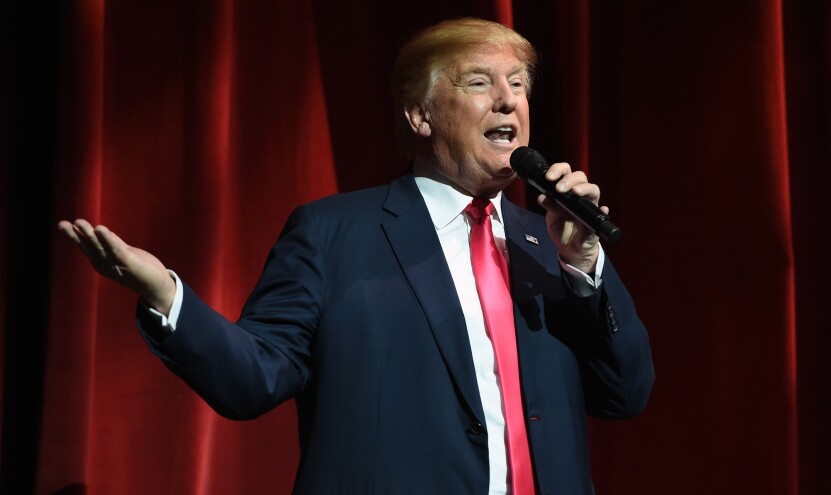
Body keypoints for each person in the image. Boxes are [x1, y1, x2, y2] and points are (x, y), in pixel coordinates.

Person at [59, 17, 654, 495]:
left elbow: (624, 395)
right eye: (478, 83)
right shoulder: (333, 233)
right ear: (420, 115)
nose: (507, 101)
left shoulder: (551, 242)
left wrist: (585, 268)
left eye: (518, 84)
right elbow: (255, 376)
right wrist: (167, 297)